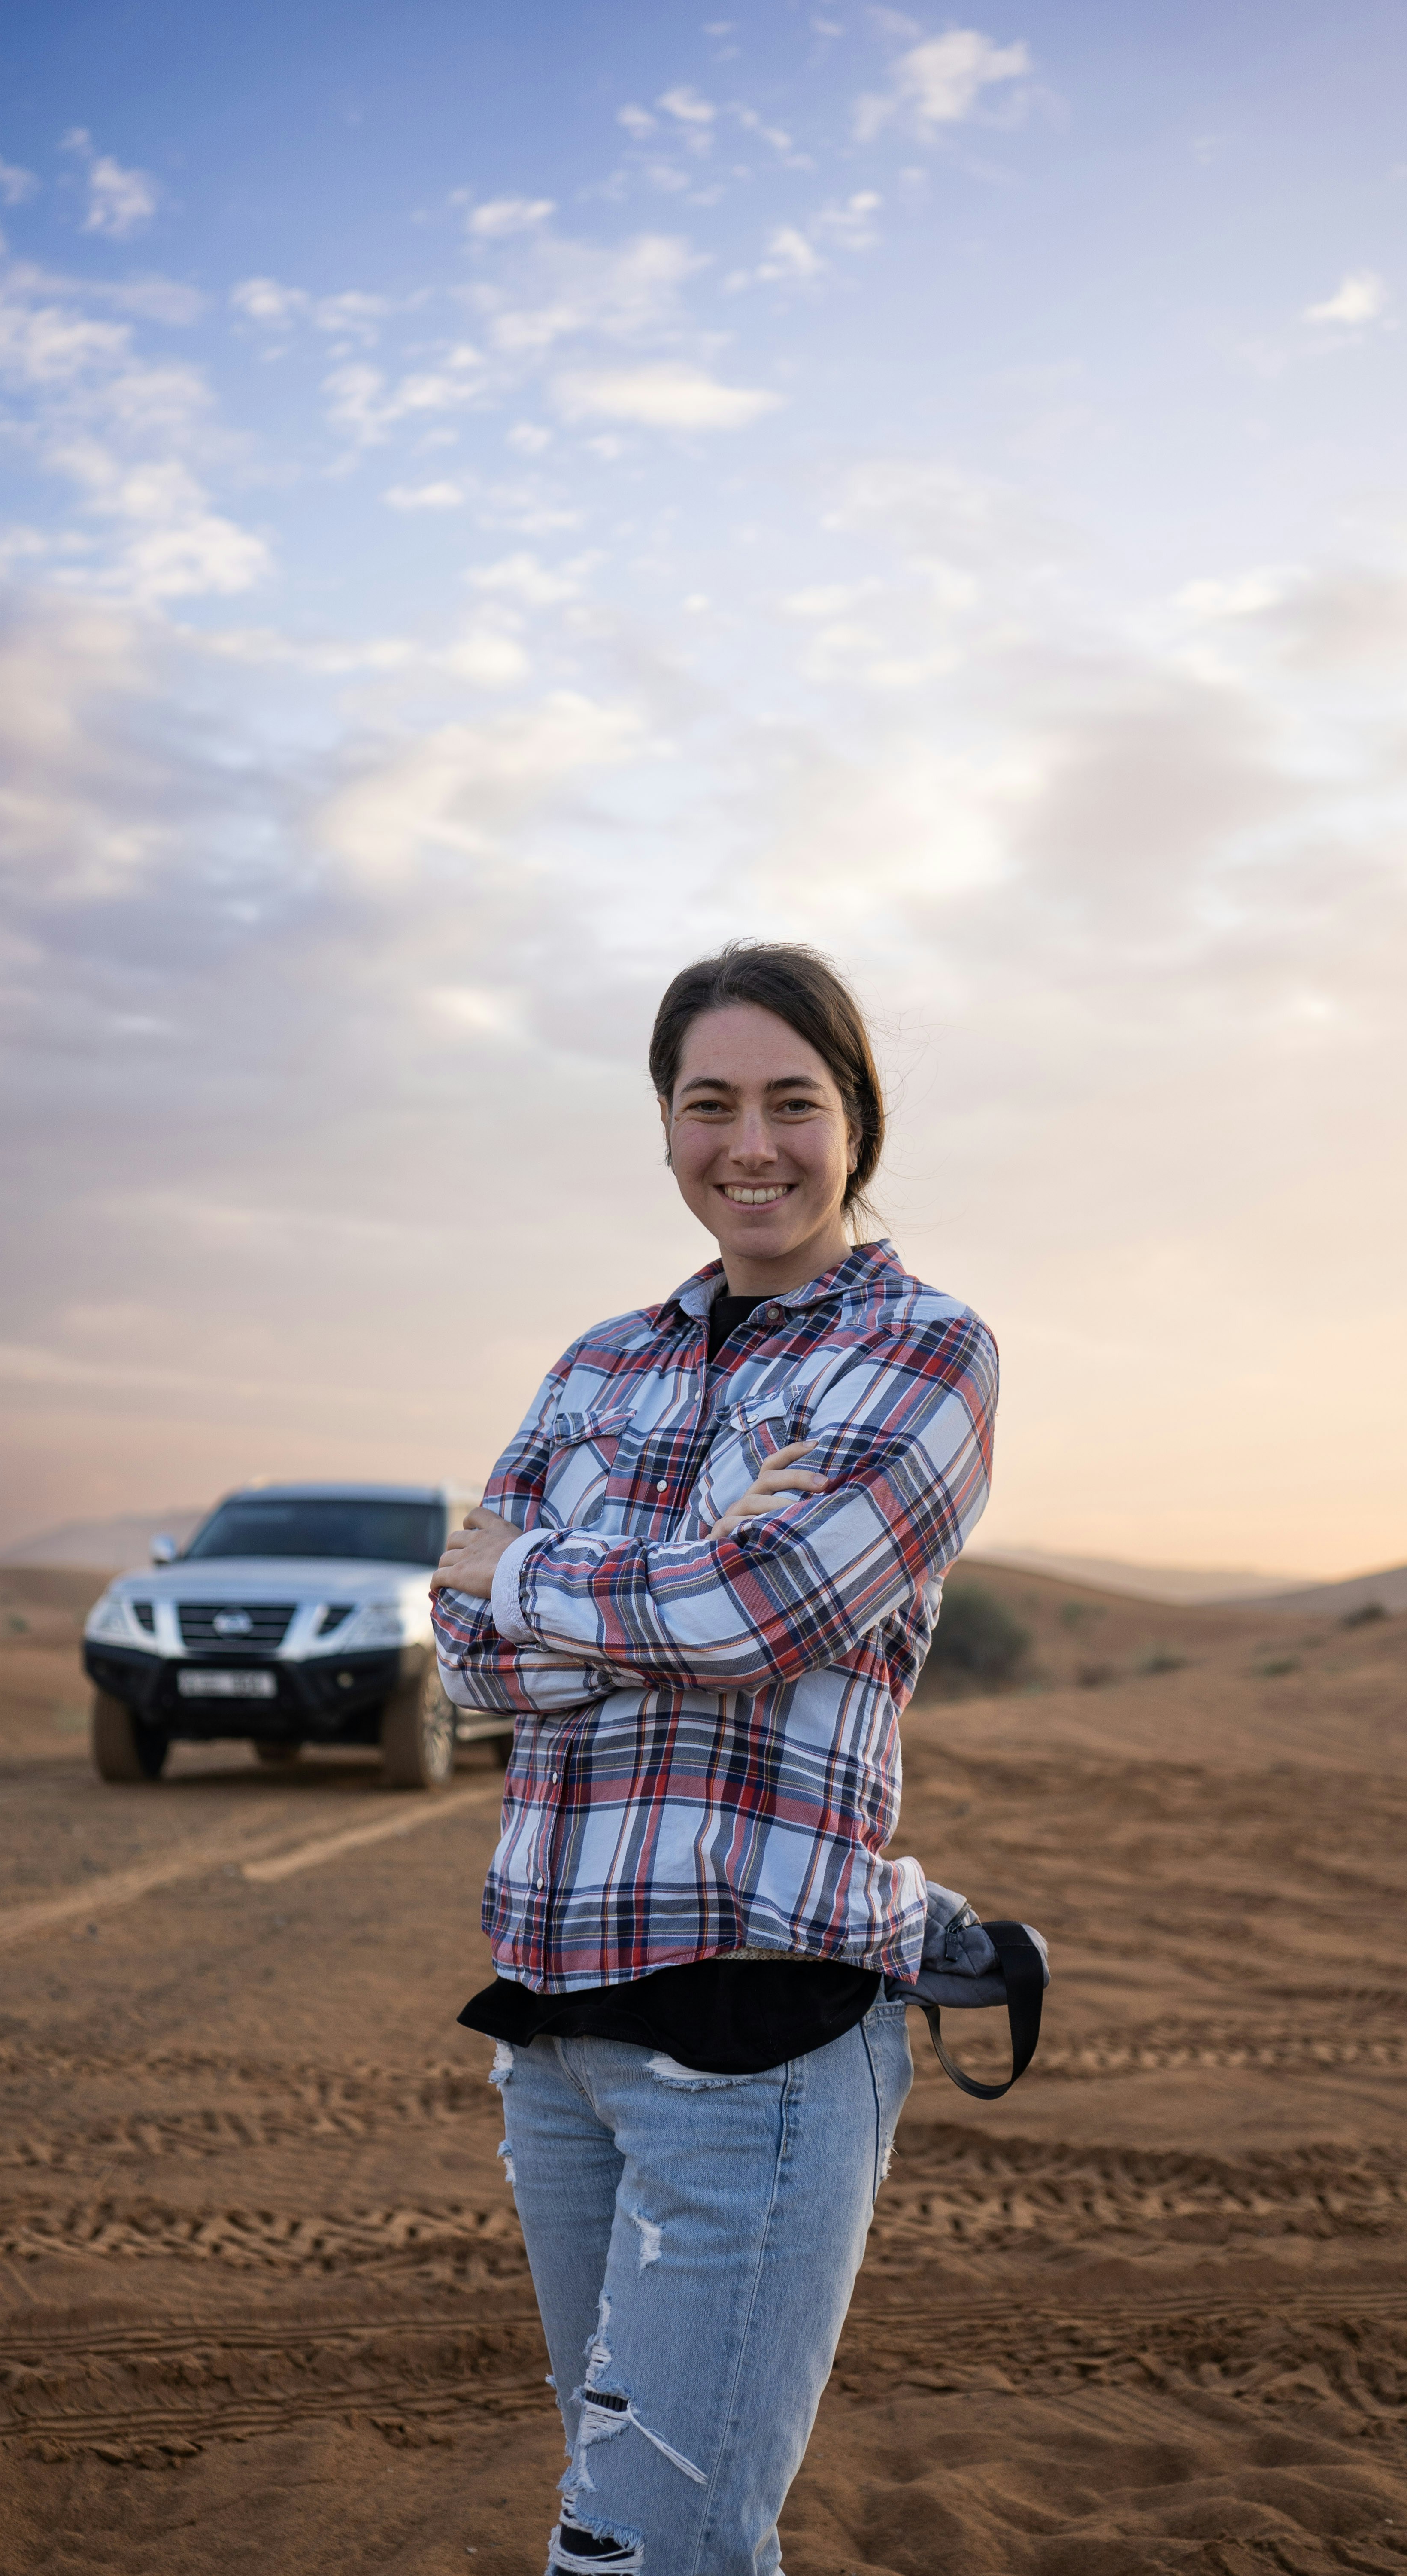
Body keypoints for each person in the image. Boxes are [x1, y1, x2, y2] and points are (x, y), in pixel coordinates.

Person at [429, 941, 998, 2576]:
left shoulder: (924, 1350)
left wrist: (549, 1576)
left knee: (642, 2553)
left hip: (752, 2043)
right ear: (667, 1128)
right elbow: (463, 1655)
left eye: (793, 1103)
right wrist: (673, 1575)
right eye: (710, 1104)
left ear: (856, 1122)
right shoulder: (602, 1357)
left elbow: (775, 1604)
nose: (751, 1143)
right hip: (554, 2037)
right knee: (643, 2520)